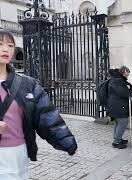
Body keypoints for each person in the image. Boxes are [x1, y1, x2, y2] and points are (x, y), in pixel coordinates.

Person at [0, 30, 77, 179]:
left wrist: (66, 141)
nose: (5, 49)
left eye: (10, 45)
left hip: (19, 152)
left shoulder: (26, 84)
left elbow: (46, 115)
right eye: (0, 44)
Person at [107, 66, 132, 149]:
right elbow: (121, 92)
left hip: (117, 105)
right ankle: (116, 142)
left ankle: (118, 138)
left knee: (118, 122)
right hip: (117, 105)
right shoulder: (117, 80)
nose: (127, 76)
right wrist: (131, 94)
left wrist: (129, 88)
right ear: (123, 72)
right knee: (123, 122)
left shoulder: (118, 79)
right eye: (127, 74)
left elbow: (124, 89)